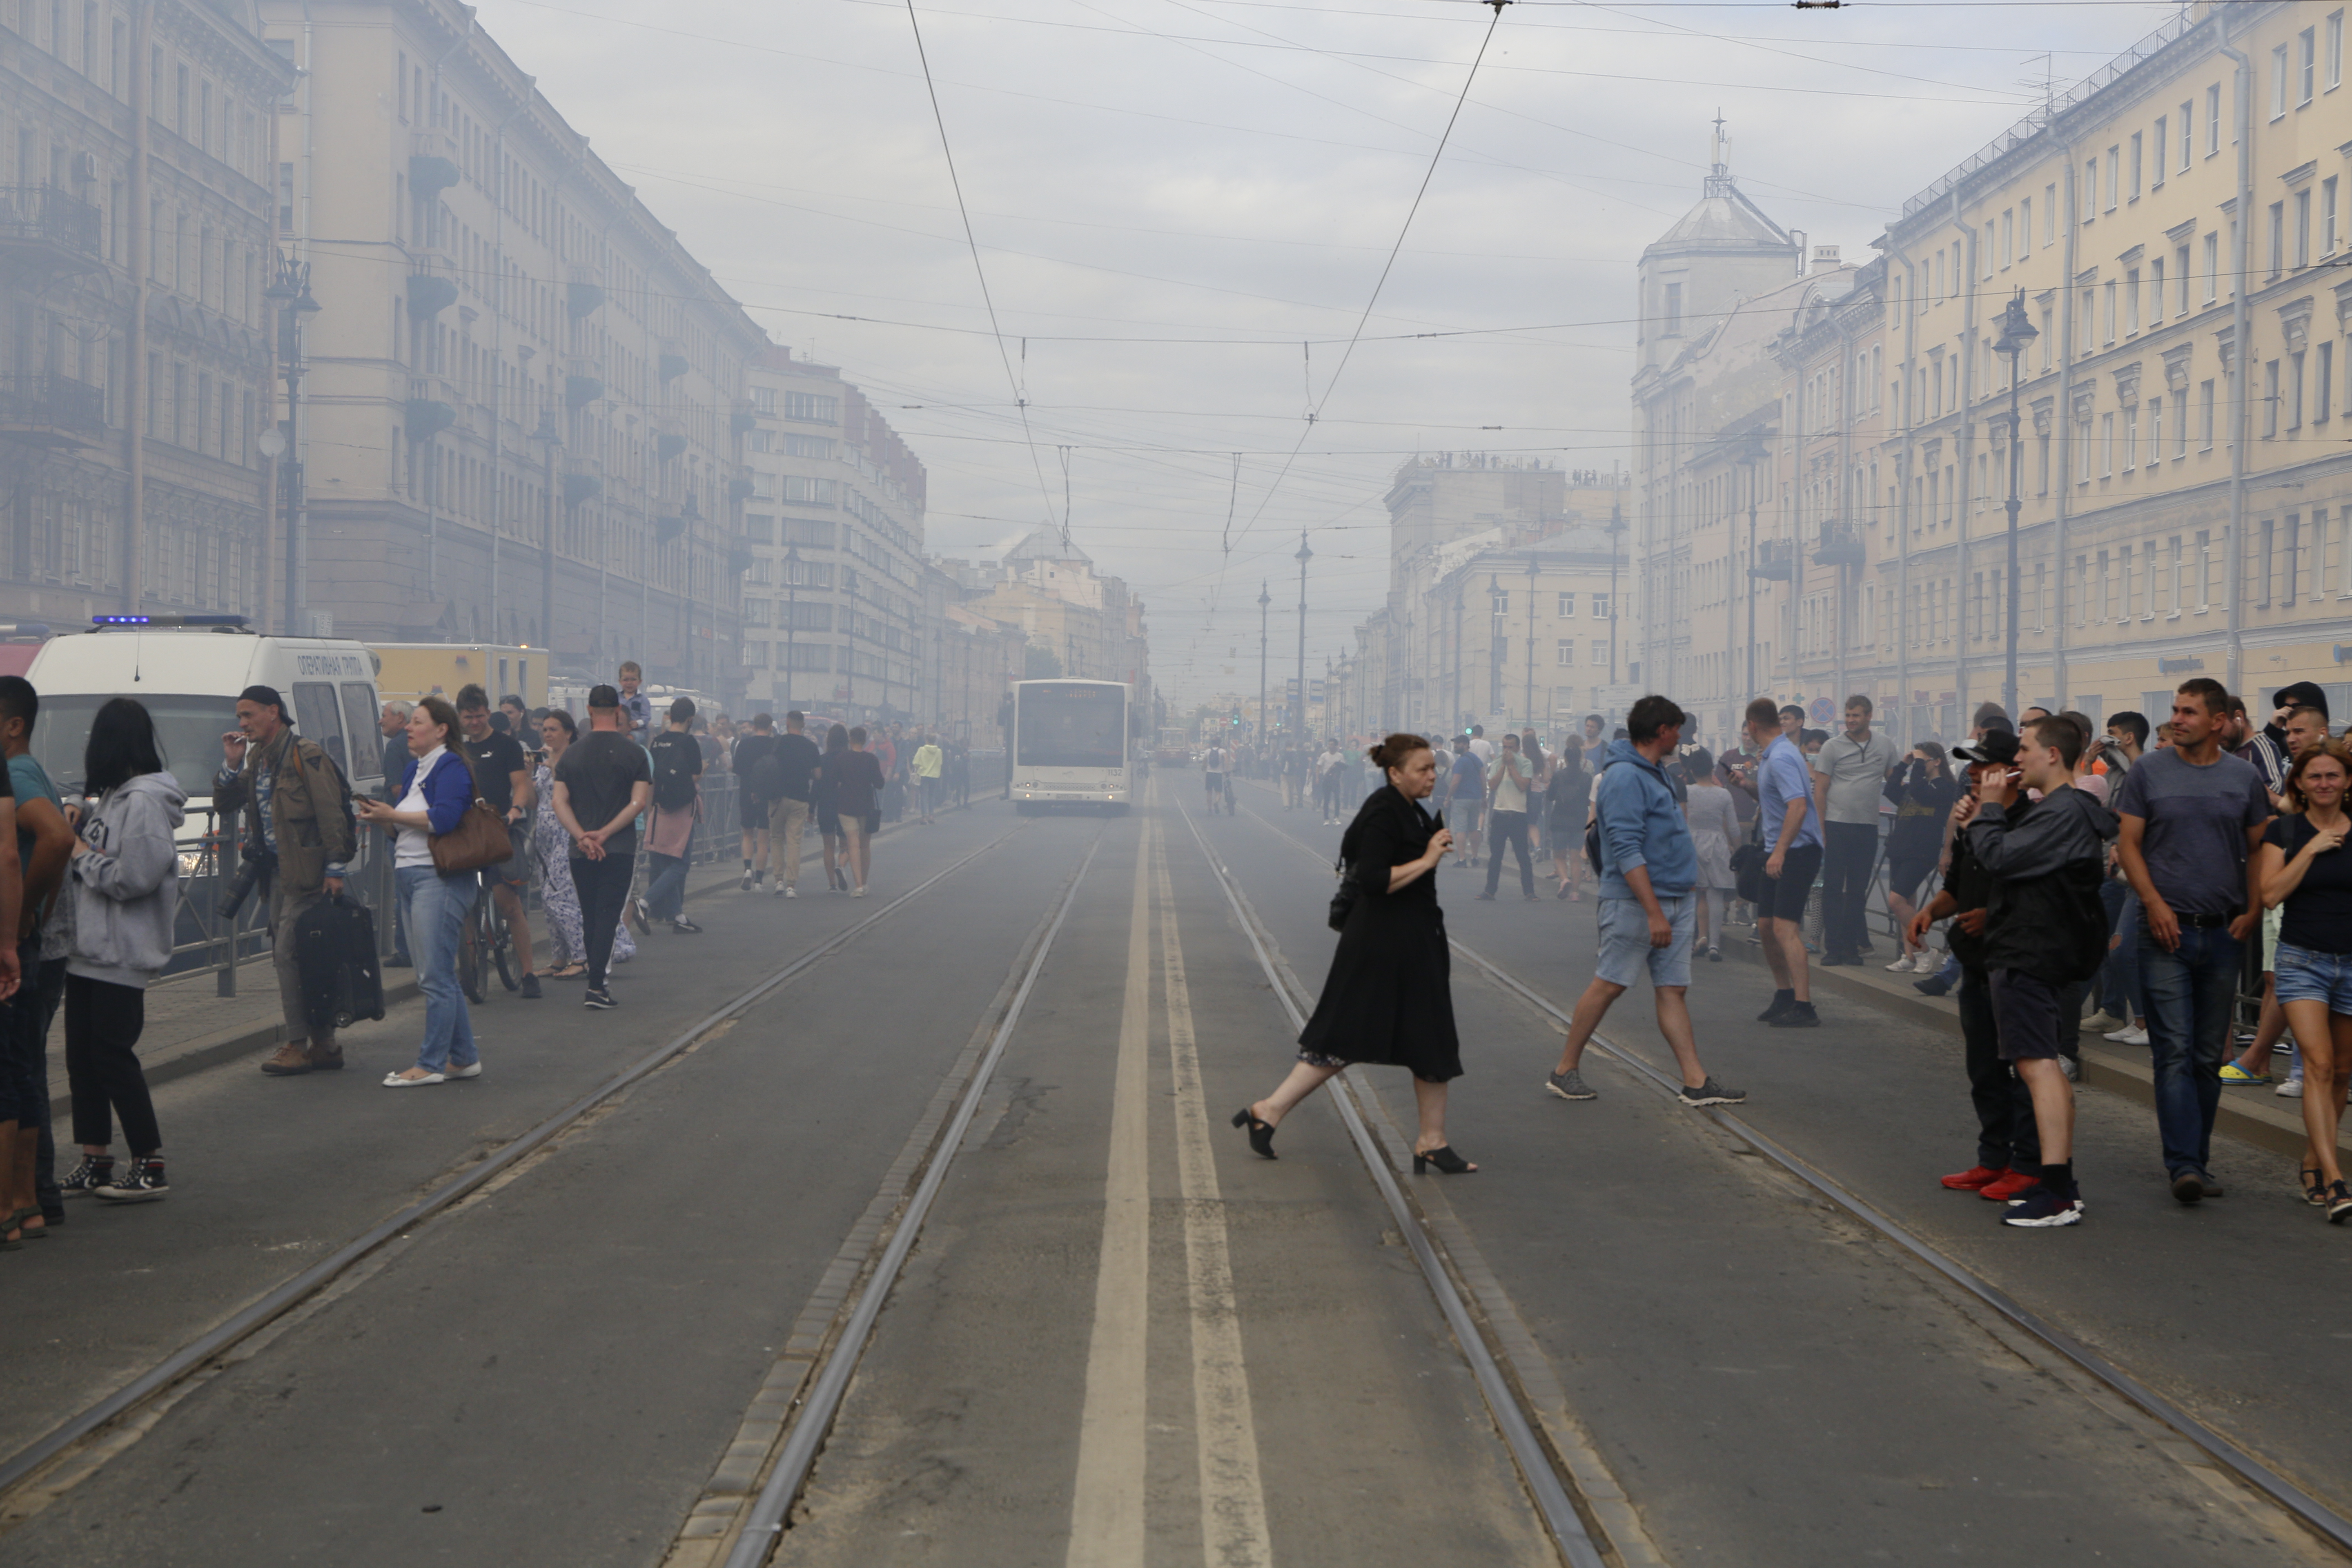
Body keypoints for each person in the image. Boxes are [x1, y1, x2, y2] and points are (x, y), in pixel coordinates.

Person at [1234, 734, 1474, 1174]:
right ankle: (1268, 1110)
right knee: (1344, 1035)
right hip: (1382, 945)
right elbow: (1374, 881)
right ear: (1395, 772)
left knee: (1431, 1036)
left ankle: (1432, 1141)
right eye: (1422, 769)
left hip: (1413, 942)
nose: (1432, 775)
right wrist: (1427, 858)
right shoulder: (1383, 812)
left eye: (1433, 768)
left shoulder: (1410, 809)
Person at [2114, 679, 2273, 1205]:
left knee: (2207, 1055)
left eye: (2188, 712)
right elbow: (2129, 844)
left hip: (2224, 932)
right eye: (2176, 710)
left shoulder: (2243, 777)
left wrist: (2252, 910)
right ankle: (2183, 1164)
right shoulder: (2148, 771)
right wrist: (2154, 904)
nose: (2177, 719)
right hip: (2164, 930)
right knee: (2175, 1050)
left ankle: (2195, 1161)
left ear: (2219, 721)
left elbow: (2258, 850)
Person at [1548, 697, 1744, 1107]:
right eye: (1677, 729)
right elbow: (1625, 847)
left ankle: (1695, 1081)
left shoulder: (1654, 772)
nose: (1681, 737)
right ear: (1661, 732)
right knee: (1610, 984)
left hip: (1674, 897)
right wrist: (1654, 911)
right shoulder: (1624, 777)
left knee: (1673, 990)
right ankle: (1565, 1069)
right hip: (1637, 903)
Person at [1960, 715, 2117, 1228]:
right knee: (2037, 1064)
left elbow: (2000, 858)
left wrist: (1987, 811)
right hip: (2034, 948)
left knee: (2037, 1065)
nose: (2018, 758)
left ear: (2053, 754)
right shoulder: (2058, 811)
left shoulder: (2064, 811)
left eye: (2026, 748)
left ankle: (2056, 1191)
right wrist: (1988, 815)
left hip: (2031, 950)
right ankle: (2057, 1186)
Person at [215, 683, 361, 1075]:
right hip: (277, 875)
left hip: (309, 876)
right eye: (240, 717)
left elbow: (331, 815)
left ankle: (297, 1044)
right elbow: (225, 803)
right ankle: (326, 1045)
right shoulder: (259, 757)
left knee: (286, 955)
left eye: (248, 715)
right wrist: (232, 763)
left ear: (273, 712)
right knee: (304, 956)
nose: (242, 724)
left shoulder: (305, 756)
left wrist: (335, 870)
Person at [59, 701, 173, 1199]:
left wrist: (82, 856)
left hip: (122, 953)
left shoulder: (145, 802)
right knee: (82, 1060)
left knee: (112, 1057)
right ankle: (95, 1158)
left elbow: (136, 877)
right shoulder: (112, 797)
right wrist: (80, 813)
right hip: (87, 951)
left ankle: (150, 1162)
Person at [353, 698, 482, 1084]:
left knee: (433, 977)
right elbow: (406, 825)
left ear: (441, 730)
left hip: (437, 878)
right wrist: (381, 818)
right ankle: (463, 1058)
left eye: (418, 723)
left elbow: (443, 819)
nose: (409, 728)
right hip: (410, 875)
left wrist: (392, 814)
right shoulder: (414, 770)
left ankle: (429, 1065)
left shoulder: (452, 766)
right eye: (409, 723)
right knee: (435, 972)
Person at [2255, 741, 2352, 1219]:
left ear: (2347, 782)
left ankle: (2315, 1162)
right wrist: (2311, 850)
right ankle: (2336, 1181)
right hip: (2302, 962)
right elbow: (2270, 894)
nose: (2324, 784)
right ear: (2300, 784)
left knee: (2341, 1072)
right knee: (2317, 1063)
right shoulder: (2285, 830)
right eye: (2315, 777)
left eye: (2333, 776)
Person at [1, 677, 71, 1237]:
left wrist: (23, 913)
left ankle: (21, 1202)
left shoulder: (18, 773)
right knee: (22, 1068)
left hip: (16, 945)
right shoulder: (33, 771)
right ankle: (31, 1202)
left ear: (13, 725)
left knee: (12, 1070)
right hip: (30, 945)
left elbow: (56, 838)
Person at [549, 686, 654, 1010]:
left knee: (590, 913)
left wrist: (582, 836)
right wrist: (605, 833)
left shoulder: (572, 754)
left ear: (591, 711)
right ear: (619, 712)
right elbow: (639, 803)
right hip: (619, 846)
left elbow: (559, 801)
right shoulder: (634, 753)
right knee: (609, 913)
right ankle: (597, 985)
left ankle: (596, 981)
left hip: (579, 850)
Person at [529, 711, 635, 980]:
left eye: (553, 729)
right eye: (545, 730)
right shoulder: (546, 760)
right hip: (545, 838)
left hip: (568, 833)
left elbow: (575, 793)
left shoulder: (576, 759)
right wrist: (530, 771)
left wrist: (554, 766)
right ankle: (558, 958)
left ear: (569, 733)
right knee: (547, 896)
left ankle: (583, 956)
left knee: (560, 896)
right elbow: (534, 800)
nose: (548, 734)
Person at [454, 685, 541, 998]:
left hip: (501, 829)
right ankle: (470, 962)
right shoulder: (457, 750)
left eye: (479, 716)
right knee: (464, 902)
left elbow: (520, 785)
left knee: (509, 905)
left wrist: (516, 810)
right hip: (467, 834)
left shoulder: (507, 746)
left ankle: (529, 973)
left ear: (488, 714)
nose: (474, 723)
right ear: (460, 718)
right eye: (468, 718)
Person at [1746, 696, 1823, 1027]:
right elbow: (1775, 800)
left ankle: (1805, 1006)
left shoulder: (1779, 757)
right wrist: (1748, 786)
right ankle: (1784, 994)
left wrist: (1779, 852)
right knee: (1765, 926)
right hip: (1778, 847)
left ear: (1752, 726)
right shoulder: (1772, 755)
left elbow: (1798, 807)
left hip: (1797, 850)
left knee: (1784, 927)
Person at [1812, 695, 1897, 967]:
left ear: (1869, 716)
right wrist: (1821, 829)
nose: (1851, 721)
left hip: (1868, 826)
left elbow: (1894, 783)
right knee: (1833, 888)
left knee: (1859, 890)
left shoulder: (1885, 745)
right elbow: (1821, 790)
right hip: (1837, 825)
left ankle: (1852, 948)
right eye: (1848, 716)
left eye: (1856, 716)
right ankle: (1833, 948)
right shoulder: (1832, 747)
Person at [1882, 743, 1957, 972]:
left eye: (1923, 761)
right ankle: (1910, 955)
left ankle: (1925, 950)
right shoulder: (1917, 783)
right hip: (1901, 847)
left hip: (1922, 850)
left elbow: (1920, 794)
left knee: (1896, 900)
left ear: (1937, 762)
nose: (1918, 765)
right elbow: (1890, 790)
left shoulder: (1944, 787)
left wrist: (1915, 769)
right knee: (1906, 904)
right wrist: (1904, 764)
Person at [635, 697, 706, 935]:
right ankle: (644, 902)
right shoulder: (689, 743)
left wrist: (649, 808)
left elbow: (651, 777)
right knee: (681, 863)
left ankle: (678, 917)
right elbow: (695, 775)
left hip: (660, 808)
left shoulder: (657, 743)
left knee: (665, 860)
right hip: (682, 809)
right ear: (690, 719)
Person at [1683, 748, 1741, 960]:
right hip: (1717, 844)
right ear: (1711, 769)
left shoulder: (1687, 792)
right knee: (1716, 894)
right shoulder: (1723, 794)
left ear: (1692, 770)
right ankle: (1715, 944)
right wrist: (1737, 848)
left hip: (1691, 844)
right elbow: (1734, 828)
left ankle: (1694, 940)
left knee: (1694, 894)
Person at [766, 711, 822, 897]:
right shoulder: (811, 746)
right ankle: (792, 885)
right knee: (794, 841)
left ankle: (779, 881)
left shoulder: (778, 743)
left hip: (777, 798)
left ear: (788, 723)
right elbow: (818, 775)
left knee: (776, 839)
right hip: (800, 798)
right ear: (803, 725)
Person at [1477, 732, 1537, 901]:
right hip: (1500, 813)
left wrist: (1512, 766)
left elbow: (1523, 786)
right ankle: (1490, 891)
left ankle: (1529, 892)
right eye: (1505, 747)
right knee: (1496, 855)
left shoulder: (1525, 763)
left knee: (1522, 856)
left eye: (1511, 747)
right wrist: (1504, 765)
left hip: (1518, 814)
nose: (1507, 751)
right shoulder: (1497, 763)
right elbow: (1493, 785)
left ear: (1518, 748)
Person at [829, 726, 886, 896]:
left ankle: (858, 886)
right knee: (865, 846)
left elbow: (833, 782)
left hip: (846, 806)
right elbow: (880, 784)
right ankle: (865, 882)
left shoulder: (841, 758)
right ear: (865, 740)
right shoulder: (872, 759)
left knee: (853, 845)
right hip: (866, 806)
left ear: (850, 740)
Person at [733, 714, 781, 890]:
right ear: (770, 727)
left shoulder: (745, 744)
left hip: (747, 791)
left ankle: (747, 869)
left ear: (754, 727)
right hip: (768, 795)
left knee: (747, 833)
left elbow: (737, 769)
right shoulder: (775, 746)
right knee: (763, 837)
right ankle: (759, 881)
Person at [1548, 736, 1590, 901]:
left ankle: (1564, 880)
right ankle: (1575, 893)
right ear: (1580, 758)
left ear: (1565, 759)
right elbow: (1589, 800)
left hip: (1560, 820)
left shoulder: (1559, 776)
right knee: (1576, 860)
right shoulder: (1587, 777)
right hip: (1580, 821)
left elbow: (1551, 797)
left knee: (1559, 856)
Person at [814, 723, 853, 893]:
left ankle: (832, 885)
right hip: (845, 806)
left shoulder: (822, 760)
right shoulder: (850, 759)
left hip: (825, 805)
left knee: (828, 846)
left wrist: (810, 808)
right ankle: (842, 866)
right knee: (847, 845)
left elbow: (816, 785)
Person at [1441, 737, 1483, 861]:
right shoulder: (1477, 760)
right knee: (1474, 828)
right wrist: (1484, 797)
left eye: (1458, 744)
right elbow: (1483, 778)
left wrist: (1448, 798)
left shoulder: (1461, 762)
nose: (1456, 746)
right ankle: (1475, 857)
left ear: (1466, 745)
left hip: (1461, 798)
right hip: (1476, 798)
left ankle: (1462, 859)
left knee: (1460, 829)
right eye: (1455, 744)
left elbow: (1455, 781)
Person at [617, 660, 653, 746]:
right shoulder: (617, 698)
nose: (630, 683)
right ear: (620, 681)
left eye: (633, 680)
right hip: (620, 730)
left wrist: (638, 723)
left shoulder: (642, 699)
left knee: (630, 739)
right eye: (626, 680)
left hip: (638, 731)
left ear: (640, 682)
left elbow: (647, 717)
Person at [913, 732, 944, 824]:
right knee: (931, 796)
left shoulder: (922, 750)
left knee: (924, 796)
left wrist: (920, 768)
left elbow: (916, 762)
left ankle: (924, 817)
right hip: (934, 776)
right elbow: (940, 763)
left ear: (926, 740)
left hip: (924, 775)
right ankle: (931, 816)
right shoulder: (939, 751)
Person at [1204, 740, 1232, 816]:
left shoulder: (1207, 751)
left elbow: (1205, 762)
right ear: (1219, 744)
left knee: (1209, 792)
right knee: (1218, 792)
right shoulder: (1222, 751)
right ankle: (1216, 802)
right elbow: (1226, 759)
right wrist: (1227, 770)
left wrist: (1204, 768)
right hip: (1218, 774)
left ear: (1212, 744)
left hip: (1209, 773)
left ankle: (1210, 809)